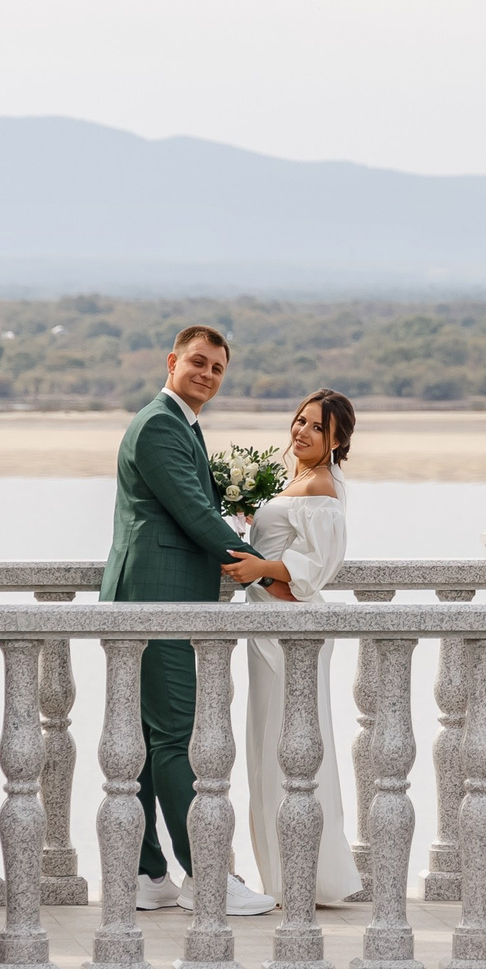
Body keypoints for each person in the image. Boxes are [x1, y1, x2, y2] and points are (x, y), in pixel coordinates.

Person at [104, 324, 277, 917]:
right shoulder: (159, 424)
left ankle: (148, 874)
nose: (207, 374)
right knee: (176, 737)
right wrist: (261, 571)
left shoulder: (180, 425)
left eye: (217, 368)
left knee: (148, 741)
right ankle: (207, 875)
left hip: (149, 595)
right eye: (198, 362)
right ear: (172, 361)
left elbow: (191, 508)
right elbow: (194, 513)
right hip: (158, 597)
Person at [222, 389, 363, 907]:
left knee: (287, 751)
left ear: (337, 440)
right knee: (267, 749)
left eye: (317, 427)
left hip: (289, 633)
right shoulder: (297, 480)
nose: (302, 432)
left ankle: (303, 877)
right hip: (267, 625)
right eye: (300, 421)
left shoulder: (322, 486)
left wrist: (259, 568)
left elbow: (306, 575)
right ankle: (283, 878)